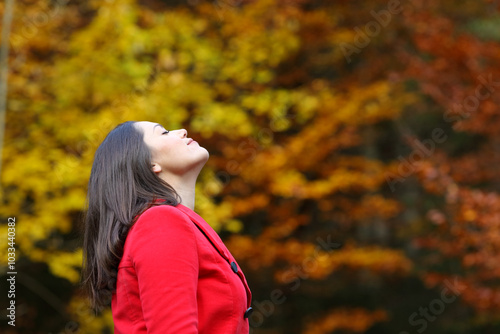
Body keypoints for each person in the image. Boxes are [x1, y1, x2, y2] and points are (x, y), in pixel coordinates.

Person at [80, 121, 253, 333]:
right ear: (149, 163)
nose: (182, 131)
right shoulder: (161, 222)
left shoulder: (168, 221)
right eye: (163, 132)